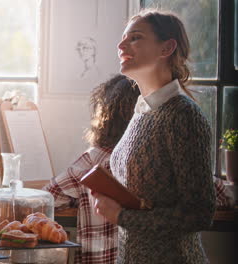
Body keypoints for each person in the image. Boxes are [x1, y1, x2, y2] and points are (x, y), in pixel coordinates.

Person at [92, 9, 216, 263]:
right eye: (123, 37)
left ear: (166, 48)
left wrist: (121, 217)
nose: (121, 45)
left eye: (135, 37)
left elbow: (199, 214)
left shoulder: (183, 115)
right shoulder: (142, 111)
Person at [44, 74, 140, 264]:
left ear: (103, 116)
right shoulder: (153, 159)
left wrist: (77, 200)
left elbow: (49, 198)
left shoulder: (91, 161)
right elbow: (214, 191)